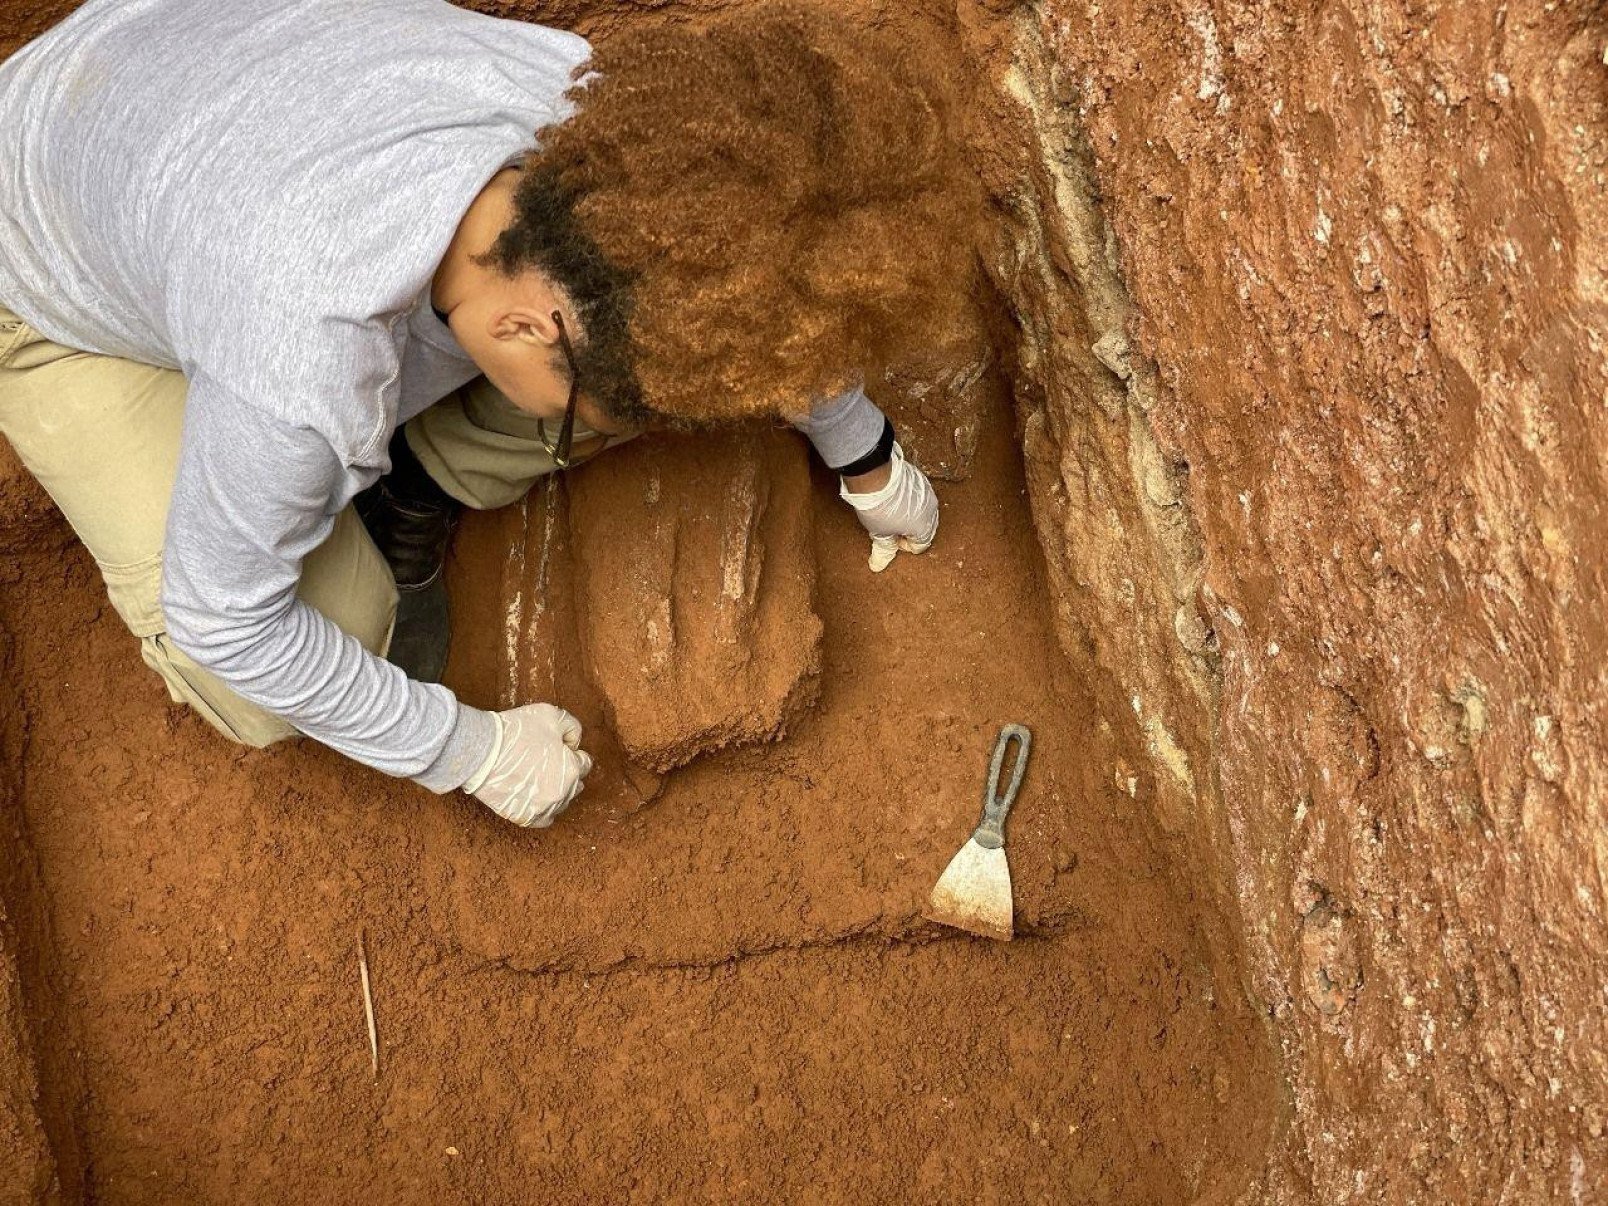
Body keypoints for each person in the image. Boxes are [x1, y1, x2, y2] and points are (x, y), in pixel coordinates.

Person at [0, 0, 977, 828]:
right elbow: (223, 620)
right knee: (298, 660)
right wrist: (465, 749)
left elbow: (733, 269)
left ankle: (408, 486)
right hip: (48, 274)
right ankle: (330, 473)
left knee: (645, 374)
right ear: (519, 325)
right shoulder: (299, 363)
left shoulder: (593, 126)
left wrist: (861, 444)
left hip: (186, 92)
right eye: (583, 411)